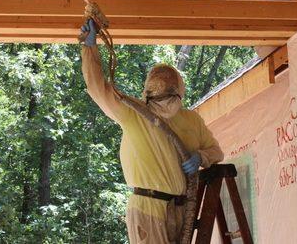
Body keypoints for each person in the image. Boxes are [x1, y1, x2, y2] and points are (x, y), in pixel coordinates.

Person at [80, 19, 224, 244]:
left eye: (169, 96)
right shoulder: (135, 113)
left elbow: (216, 151)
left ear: (179, 92)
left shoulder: (191, 120)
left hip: (180, 209)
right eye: (158, 98)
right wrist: (90, 49)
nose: (163, 103)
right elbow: (98, 89)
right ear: (147, 94)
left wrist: (202, 157)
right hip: (148, 208)